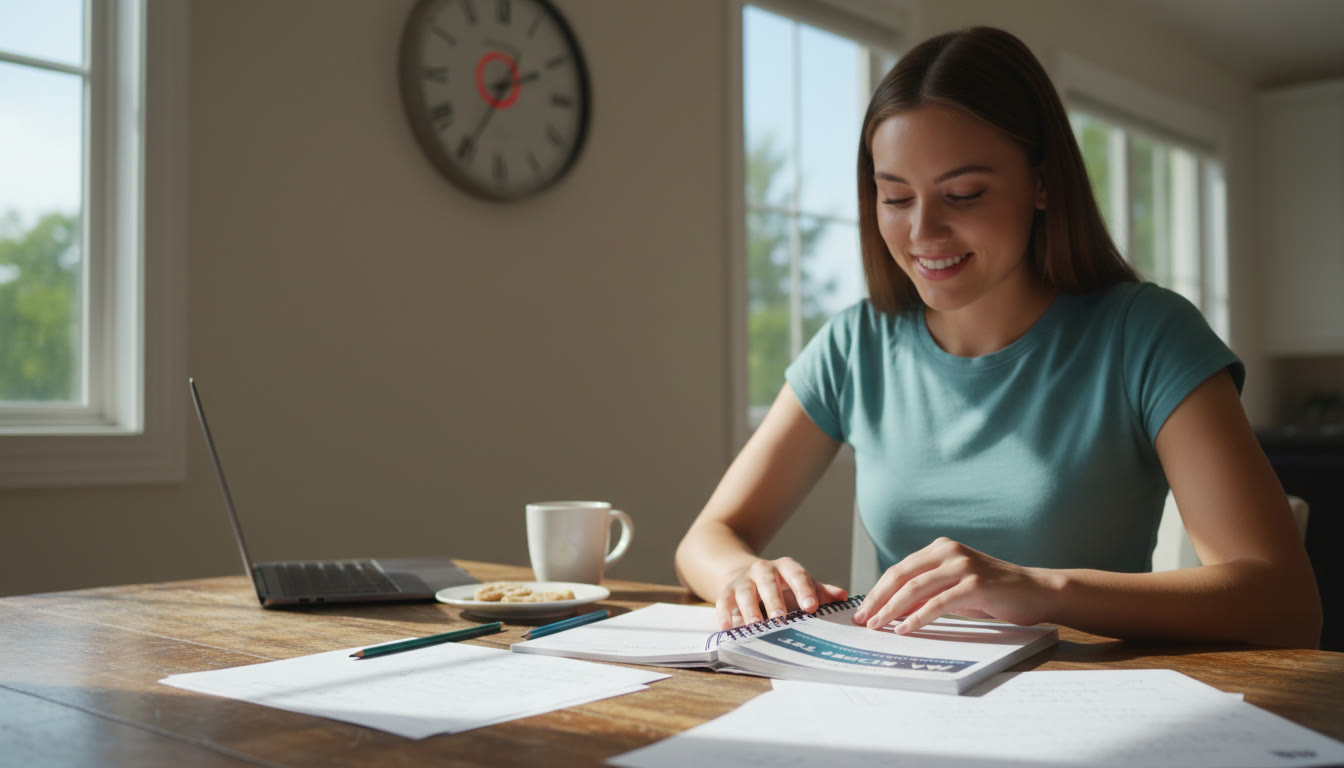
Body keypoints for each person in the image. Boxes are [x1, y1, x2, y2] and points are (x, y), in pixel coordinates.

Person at [674, 26, 1322, 649]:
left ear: (1042, 183)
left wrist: (1040, 589)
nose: (924, 234)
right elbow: (707, 538)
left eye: (962, 194)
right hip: (902, 707)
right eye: (895, 198)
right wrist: (741, 575)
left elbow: (1286, 605)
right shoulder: (857, 344)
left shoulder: (1148, 336)